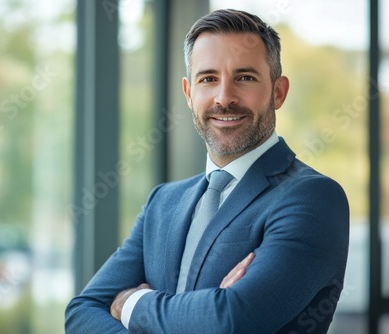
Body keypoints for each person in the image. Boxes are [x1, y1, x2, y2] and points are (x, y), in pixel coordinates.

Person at [65, 8, 349, 334]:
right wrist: (199, 314)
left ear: (278, 92)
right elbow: (81, 314)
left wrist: (130, 303)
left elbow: (230, 320)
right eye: (208, 78)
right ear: (189, 93)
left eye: (245, 77)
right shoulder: (163, 202)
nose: (224, 97)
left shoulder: (313, 198)